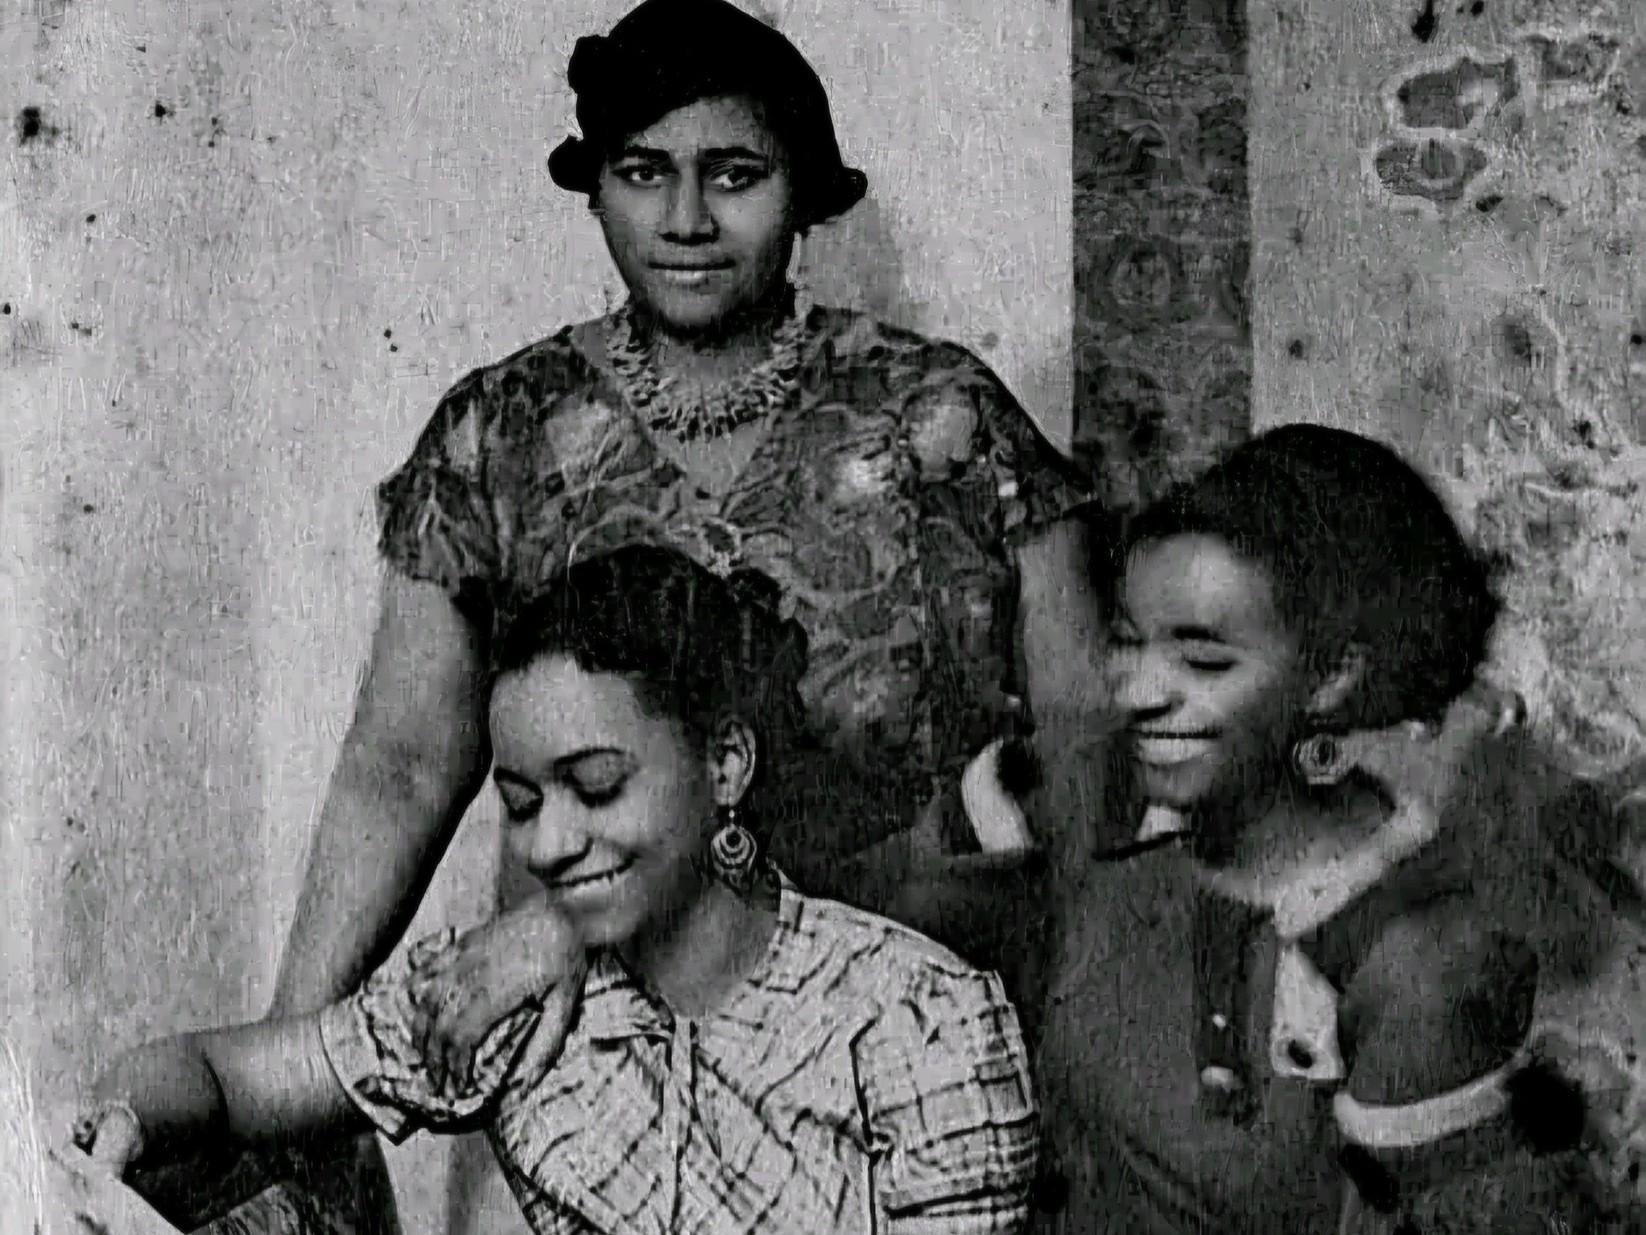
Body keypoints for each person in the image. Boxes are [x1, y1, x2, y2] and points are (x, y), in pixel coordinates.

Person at [253, 0, 1096, 1228]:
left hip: (897, 1059)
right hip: (588, 1056)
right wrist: (298, 1063)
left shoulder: (942, 418)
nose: (687, 220)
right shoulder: (504, 427)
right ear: (594, 188)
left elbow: (1088, 758)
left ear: (805, 192)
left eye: (735, 175)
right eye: (642, 173)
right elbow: (400, 760)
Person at [68, 545, 1041, 1235]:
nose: (552, 841)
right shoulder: (503, 995)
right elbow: (223, 1076)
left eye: (599, 786)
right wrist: (118, 1122)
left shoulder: (920, 1021)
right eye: (523, 800)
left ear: (726, 764)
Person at [1027, 424, 1645, 1234]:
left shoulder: (1413, 966)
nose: (1142, 692)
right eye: (1127, 644)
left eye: (1204, 661)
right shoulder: (1107, 816)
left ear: (1331, 677)